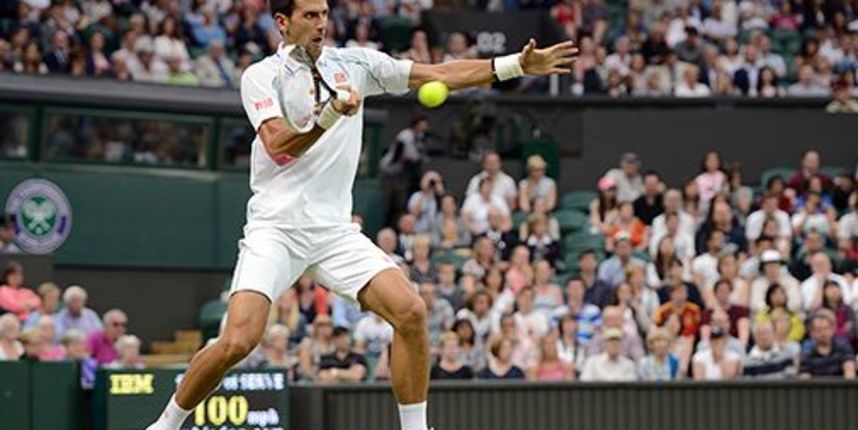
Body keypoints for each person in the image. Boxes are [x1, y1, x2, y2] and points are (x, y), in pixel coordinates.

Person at [145, 1, 575, 429]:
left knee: (410, 312)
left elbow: (438, 74)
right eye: (309, 16)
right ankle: (164, 425)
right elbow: (278, 147)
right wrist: (330, 116)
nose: (320, 24)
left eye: (324, 14)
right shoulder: (261, 76)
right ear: (282, 22)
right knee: (237, 341)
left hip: (334, 233)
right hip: (275, 229)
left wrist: (516, 65)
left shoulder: (356, 65)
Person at [800, 310, 856, 379]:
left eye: (826, 328)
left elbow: (850, 371)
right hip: (816, 388)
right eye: (818, 330)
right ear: (812, 333)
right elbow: (804, 375)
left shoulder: (843, 346)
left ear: (833, 329)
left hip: (840, 388)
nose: (823, 333)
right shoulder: (807, 351)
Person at [296, 314, 335, 380]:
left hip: (334, 378)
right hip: (312, 381)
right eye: (322, 325)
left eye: (329, 325)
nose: (326, 328)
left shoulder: (335, 344)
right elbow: (305, 369)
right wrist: (318, 377)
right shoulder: (307, 344)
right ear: (316, 327)